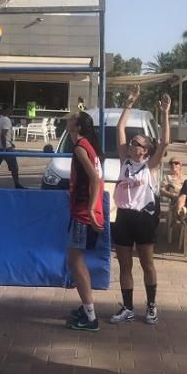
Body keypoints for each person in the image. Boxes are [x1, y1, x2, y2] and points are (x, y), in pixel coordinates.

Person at [109, 89, 170, 325]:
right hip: (123, 216)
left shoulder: (150, 166)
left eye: (138, 142)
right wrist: (129, 103)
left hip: (143, 218)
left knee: (147, 263)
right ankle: (127, 307)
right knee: (125, 264)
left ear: (144, 150)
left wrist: (165, 113)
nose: (132, 142)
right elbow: (119, 129)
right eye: (132, 142)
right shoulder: (125, 159)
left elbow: (164, 141)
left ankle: (152, 305)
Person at [64, 111, 106, 332]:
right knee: (78, 261)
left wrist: (90, 209)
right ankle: (86, 307)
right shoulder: (88, 145)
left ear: (77, 127)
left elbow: (95, 179)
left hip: (84, 213)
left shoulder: (81, 147)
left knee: (75, 262)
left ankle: (90, 318)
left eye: (72, 118)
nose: (68, 119)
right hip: (84, 212)